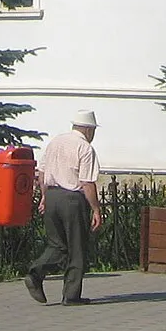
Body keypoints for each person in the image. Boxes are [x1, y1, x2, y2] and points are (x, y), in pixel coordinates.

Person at [26, 110, 102, 305]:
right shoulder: (85, 148)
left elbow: (41, 172)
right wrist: (95, 209)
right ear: (88, 129)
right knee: (77, 248)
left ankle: (35, 274)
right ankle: (71, 295)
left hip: (52, 196)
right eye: (93, 130)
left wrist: (44, 196)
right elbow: (87, 182)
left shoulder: (56, 142)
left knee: (57, 245)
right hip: (72, 199)